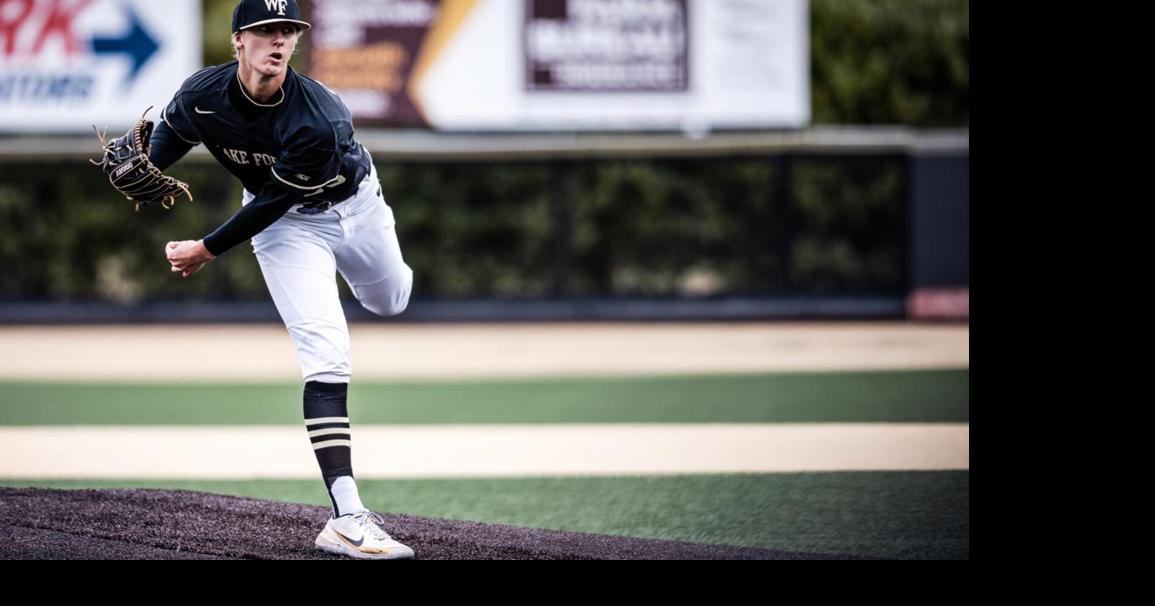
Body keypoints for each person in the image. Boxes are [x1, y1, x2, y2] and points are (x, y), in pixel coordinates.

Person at [155, 0, 415, 560]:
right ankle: (347, 517)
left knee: (391, 301)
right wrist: (146, 166)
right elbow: (171, 139)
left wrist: (205, 248)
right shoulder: (202, 93)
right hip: (291, 232)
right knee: (327, 354)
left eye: (288, 31)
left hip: (356, 208)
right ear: (238, 41)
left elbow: (275, 198)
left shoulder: (318, 115)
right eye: (265, 31)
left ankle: (372, 277)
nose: (278, 41)